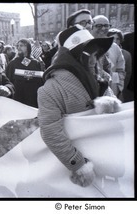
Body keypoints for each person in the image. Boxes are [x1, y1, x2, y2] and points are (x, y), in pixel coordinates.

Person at [37, 25, 120, 188]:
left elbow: (115, 109)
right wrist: (79, 166)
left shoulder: (100, 79)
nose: (94, 60)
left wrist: (110, 104)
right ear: (73, 56)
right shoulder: (50, 89)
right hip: (75, 173)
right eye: (88, 54)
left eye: (96, 54)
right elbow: (50, 132)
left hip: (109, 163)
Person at [90, 15, 125, 101]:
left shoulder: (115, 47)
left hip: (111, 92)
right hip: (91, 93)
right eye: (99, 25)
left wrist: (118, 87)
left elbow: (121, 70)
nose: (103, 28)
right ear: (91, 27)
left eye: (106, 25)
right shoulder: (86, 45)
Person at [5, 38, 44, 108]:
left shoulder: (35, 63)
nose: (19, 47)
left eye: (22, 45)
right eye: (18, 46)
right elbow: (8, 81)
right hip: (18, 98)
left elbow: (40, 82)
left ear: (28, 47)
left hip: (32, 98)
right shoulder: (13, 63)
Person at [107, 28, 133, 102]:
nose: (115, 41)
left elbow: (128, 72)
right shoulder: (104, 51)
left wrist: (121, 86)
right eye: (112, 38)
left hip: (118, 81)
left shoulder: (126, 54)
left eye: (117, 39)